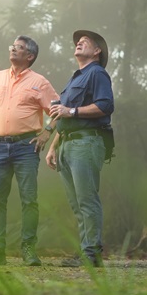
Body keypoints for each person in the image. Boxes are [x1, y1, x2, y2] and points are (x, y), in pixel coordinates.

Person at [0, 35, 59, 266]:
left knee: (29, 200)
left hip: (26, 147)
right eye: (12, 46)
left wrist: (46, 132)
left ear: (30, 56)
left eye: (19, 47)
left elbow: (58, 111)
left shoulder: (39, 82)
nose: (13, 49)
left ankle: (29, 250)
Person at [46, 30, 114, 267]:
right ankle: (86, 250)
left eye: (85, 42)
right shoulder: (75, 78)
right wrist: (54, 146)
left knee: (87, 199)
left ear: (97, 51)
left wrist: (71, 111)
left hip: (86, 143)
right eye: (77, 42)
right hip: (67, 143)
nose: (79, 42)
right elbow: (62, 116)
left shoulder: (97, 73)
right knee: (76, 204)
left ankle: (92, 253)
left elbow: (106, 105)